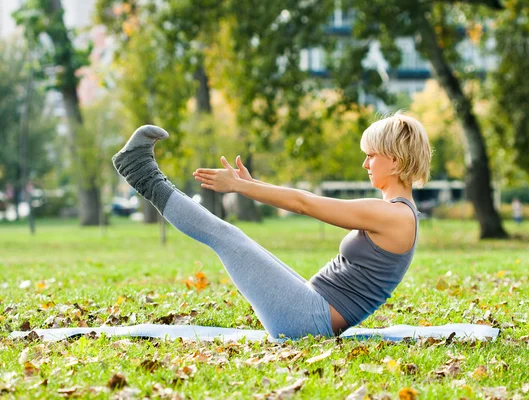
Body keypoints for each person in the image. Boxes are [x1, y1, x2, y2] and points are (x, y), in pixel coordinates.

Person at [112, 113, 431, 339]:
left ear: (395, 159)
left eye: (371, 155)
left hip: (307, 320)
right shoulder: (395, 212)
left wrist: (242, 187)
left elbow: (305, 204)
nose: (365, 164)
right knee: (238, 240)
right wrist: (253, 185)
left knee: (227, 237)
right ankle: (143, 172)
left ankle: (142, 174)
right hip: (309, 307)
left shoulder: (394, 216)